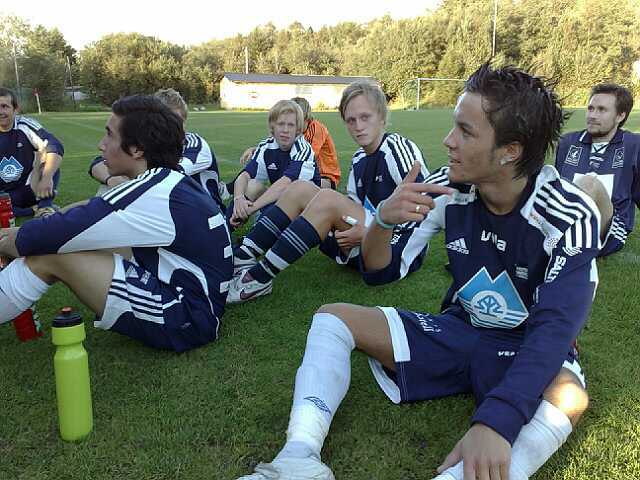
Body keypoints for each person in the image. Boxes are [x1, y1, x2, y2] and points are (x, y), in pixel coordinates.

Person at [237, 64, 600, 480]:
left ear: (510, 150)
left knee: (569, 394)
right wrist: (383, 223)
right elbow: (381, 272)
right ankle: (298, 457)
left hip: (526, 346)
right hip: (461, 331)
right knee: (333, 318)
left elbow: (554, 330)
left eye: (465, 131)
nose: (448, 141)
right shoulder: (447, 188)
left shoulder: (567, 212)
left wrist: (497, 421)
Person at [0, 95, 232, 352]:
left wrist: (9, 237)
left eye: (109, 135)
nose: (101, 145)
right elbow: (84, 214)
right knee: (73, 240)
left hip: (186, 317)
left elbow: (47, 236)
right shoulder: (164, 181)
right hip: (193, 297)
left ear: (136, 149)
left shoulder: (153, 192)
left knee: (52, 254)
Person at [227, 80, 428, 304]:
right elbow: (354, 207)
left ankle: (256, 280)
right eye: (351, 120)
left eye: (365, 117)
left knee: (327, 198)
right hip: (357, 247)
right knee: (299, 188)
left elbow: (426, 206)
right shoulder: (359, 159)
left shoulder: (396, 148)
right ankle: (244, 256)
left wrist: (374, 232)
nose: (358, 126)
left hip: (393, 253)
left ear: (381, 116)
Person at [89, 88, 228, 210]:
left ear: (185, 122)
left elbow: (167, 174)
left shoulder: (196, 145)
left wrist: (125, 177)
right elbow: (98, 163)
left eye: (176, 122)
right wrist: (111, 179)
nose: (170, 127)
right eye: (163, 122)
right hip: (169, 206)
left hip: (205, 214)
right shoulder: (149, 145)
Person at [555, 83, 639, 257]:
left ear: (620, 115)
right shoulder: (568, 142)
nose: (592, 115)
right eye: (590, 108)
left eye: (601, 110)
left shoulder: (633, 145)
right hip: (565, 218)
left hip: (610, 226)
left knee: (590, 182)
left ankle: (559, 242)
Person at [229, 99, 320, 229]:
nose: (285, 130)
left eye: (291, 125)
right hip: (281, 198)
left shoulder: (303, 149)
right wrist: (238, 200)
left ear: (298, 128)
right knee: (252, 186)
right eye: (281, 124)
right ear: (273, 126)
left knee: (276, 208)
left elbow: (284, 185)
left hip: (307, 210)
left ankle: (252, 238)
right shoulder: (266, 146)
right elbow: (244, 175)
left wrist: (251, 209)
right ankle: (224, 232)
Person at [240, 97, 341, 189]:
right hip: (304, 173)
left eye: (295, 123)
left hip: (325, 177)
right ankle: (232, 189)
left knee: (293, 184)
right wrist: (256, 150)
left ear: (305, 119)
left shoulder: (317, 129)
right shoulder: (293, 132)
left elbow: (305, 159)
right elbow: (274, 144)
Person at [0, 87, 63, 218]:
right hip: (4, 196)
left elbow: (54, 145)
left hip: (31, 188)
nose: (0, 112)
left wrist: (46, 178)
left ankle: (44, 207)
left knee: (50, 164)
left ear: (15, 109)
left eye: (4, 106)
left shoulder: (24, 125)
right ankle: (34, 211)